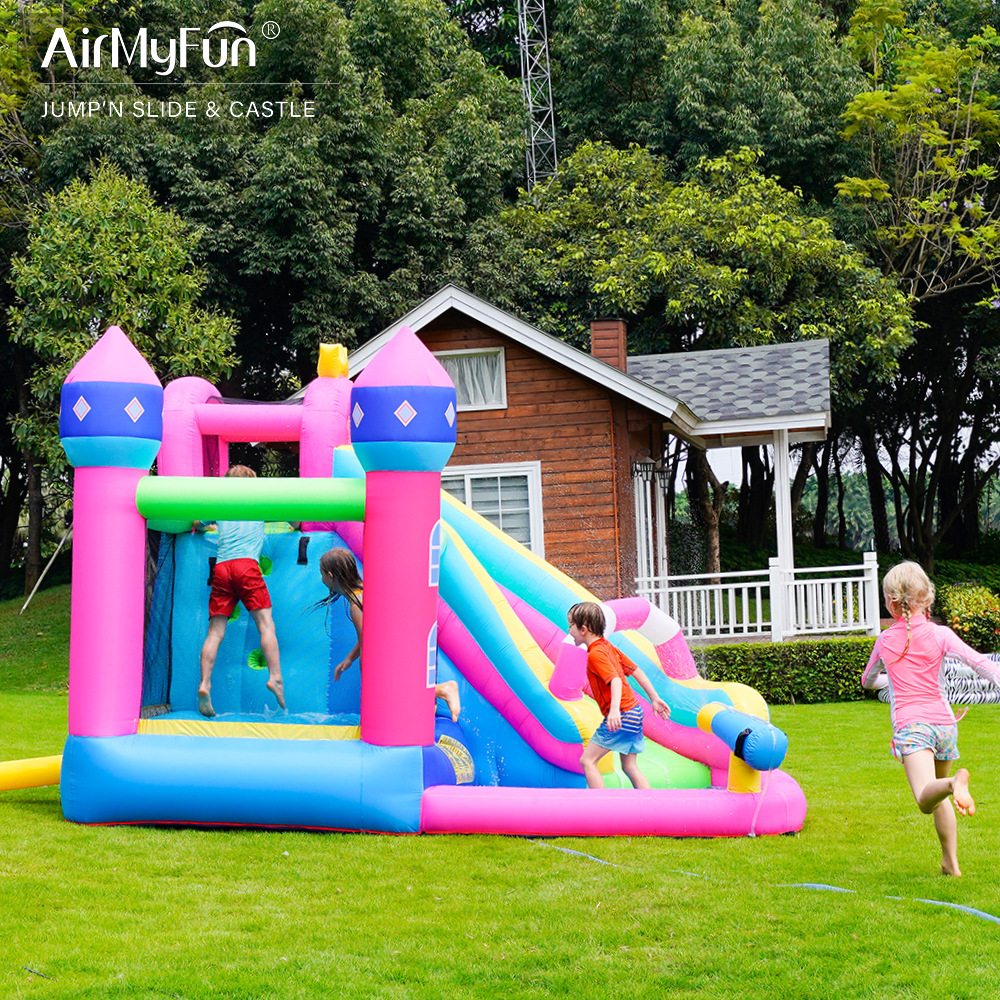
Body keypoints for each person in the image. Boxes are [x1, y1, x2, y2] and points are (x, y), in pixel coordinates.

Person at [862, 560, 1000, 876]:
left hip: (914, 727)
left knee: (926, 799)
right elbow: (982, 664)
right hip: (945, 725)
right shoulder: (941, 634)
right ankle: (950, 863)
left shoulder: (884, 640)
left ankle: (954, 782)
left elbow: (868, 680)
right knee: (938, 793)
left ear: (892, 603)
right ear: (926, 598)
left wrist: (887, 682)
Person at [318, 547, 461, 723]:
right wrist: (349, 659)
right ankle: (431, 700)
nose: (322, 579)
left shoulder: (356, 606)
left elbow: (368, 646)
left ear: (331, 576)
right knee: (399, 696)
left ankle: (442, 690)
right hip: (407, 642)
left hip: (395, 649)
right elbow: (369, 635)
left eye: (322, 574)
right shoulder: (364, 591)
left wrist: (369, 682)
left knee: (389, 692)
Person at [195, 465, 286, 718]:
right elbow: (296, 520)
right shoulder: (259, 503)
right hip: (247, 565)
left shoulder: (220, 505)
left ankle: (204, 684)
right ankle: (275, 678)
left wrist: (210, 526)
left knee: (214, 633)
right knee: (266, 625)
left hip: (222, 568)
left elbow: (197, 524)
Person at [567, 601, 671, 790]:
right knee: (630, 766)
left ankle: (601, 811)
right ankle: (651, 807)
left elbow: (615, 680)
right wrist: (654, 699)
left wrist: (614, 711)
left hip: (622, 713)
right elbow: (637, 672)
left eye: (571, 625)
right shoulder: (609, 647)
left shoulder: (595, 654)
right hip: (635, 712)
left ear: (583, 629)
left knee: (587, 761)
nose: (569, 630)